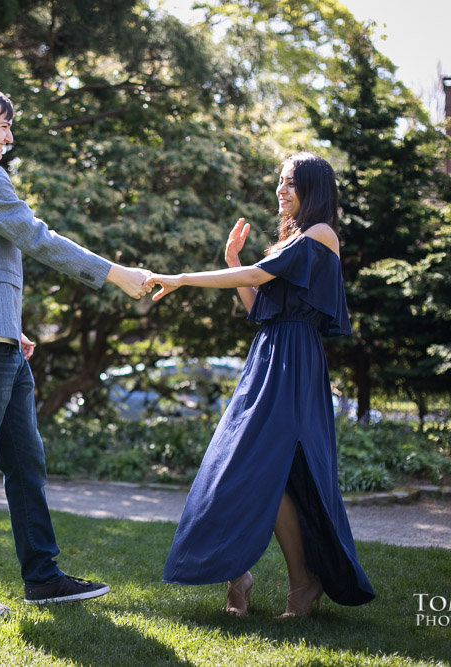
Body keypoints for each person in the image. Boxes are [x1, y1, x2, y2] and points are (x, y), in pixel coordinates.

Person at [0, 83, 153, 618]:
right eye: (3, 125)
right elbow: (36, 237)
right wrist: (116, 274)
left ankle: (43, 578)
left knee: (25, 460)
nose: (9, 136)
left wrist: (10, 323)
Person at [144, 152, 375, 618]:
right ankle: (245, 576)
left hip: (294, 363)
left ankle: (301, 583)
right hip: (270, 355)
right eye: (280, 182)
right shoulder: (291, 240)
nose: (281, 190)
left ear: (315, 189)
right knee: (240, 464)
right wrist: (232, 260)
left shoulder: (321, 234)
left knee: (265, 469)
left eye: (291, 183)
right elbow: (259, 306)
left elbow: (258, 276)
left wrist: (184, 278)